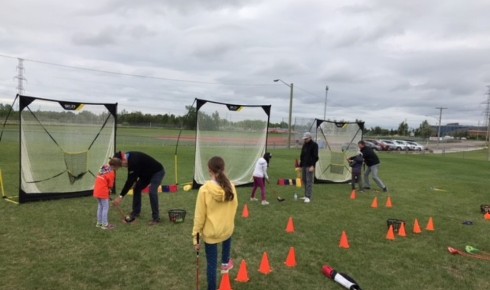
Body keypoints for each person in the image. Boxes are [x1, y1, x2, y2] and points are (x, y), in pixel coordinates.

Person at [192, 156, 238, 290]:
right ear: (224, 168)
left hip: (214, 233)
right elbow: (234, 208)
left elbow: (199, 217)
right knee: (218, 263)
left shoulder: (207, 189)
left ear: (209, 170)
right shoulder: (231, 187)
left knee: (212, 265)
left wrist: (196, 238)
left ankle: (225, 265)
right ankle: (225, 264)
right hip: (226, 231)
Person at [112, 151, 165, 225]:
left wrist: (120, 197)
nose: (123, 166)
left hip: (157, 172)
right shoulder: (128, 158)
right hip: (145, 175)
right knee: (136, 188)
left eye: (121, 165)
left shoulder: (133, 161)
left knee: (152, 191)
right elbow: (133, 176)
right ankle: (136, 212)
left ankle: (156, 218)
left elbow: (129, 181)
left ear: (123, 159)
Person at [94, 158, 122, 230]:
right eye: (118, 167)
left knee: (100, 206)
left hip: (97, 190)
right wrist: (108, 193)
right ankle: (105, 225)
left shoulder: (103, 167)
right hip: (103, 191)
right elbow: (110, 185)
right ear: (115, 166)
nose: (118, 168)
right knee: (105, 207)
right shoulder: (111, 172)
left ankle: (99, 223)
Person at [299, 132, 319, 203]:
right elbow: (302, 155)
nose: (305, 140)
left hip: (310, 166)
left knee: (309, 181)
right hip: (304, 165)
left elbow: (315, 157)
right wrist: (300, 165)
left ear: (310, 138)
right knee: (304, 180)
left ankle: (308, 196)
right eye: (304, 139)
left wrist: (312, 165)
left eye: (306, 139)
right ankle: (305, 195)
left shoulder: (314, 145)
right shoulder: (305, 145)